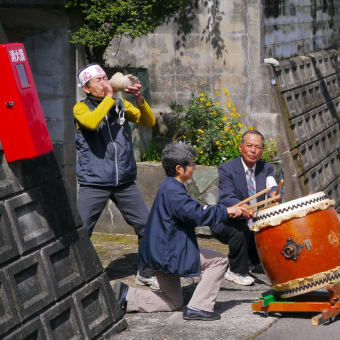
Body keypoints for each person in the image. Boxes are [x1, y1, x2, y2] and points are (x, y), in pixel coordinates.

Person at [112, 142, 253, 321]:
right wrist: (226, 211)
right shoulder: (173, 190)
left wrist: (228, 209)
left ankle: (127, 296)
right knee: (219, 261)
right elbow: (196, 214)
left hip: (160, 252)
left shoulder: (170, 185)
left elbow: (194, 210)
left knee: (173, 301)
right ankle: (199, 308)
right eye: (191, 164)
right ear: (179, 168)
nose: (194, 167)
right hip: (169, 253)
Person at [73, 63, 159, 289]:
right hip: (94, 182)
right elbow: (91, 123)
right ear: (87, 88)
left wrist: (140, 99)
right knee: (81, 231)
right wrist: (109, 99)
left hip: (124, 183)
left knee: (146, 226)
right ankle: (77, 277)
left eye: (105, 78)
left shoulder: (121, 104)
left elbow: (148, 121)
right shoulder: (80, 109)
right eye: (98, 80)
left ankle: (146, 271)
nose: (104, 82)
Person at [213, 130, 282, 286]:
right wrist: (242, 206)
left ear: (262, 150)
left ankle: (254, 261)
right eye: (249, 145)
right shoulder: (227, 168)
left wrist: (274, 194)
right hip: (229, 219)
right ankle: (236, 271)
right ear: (240, 147)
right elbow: (226, 196)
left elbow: (272, 185)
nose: (253, 150)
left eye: (257, 147)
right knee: (241, 230)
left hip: (255, 218)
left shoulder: (266, 168)